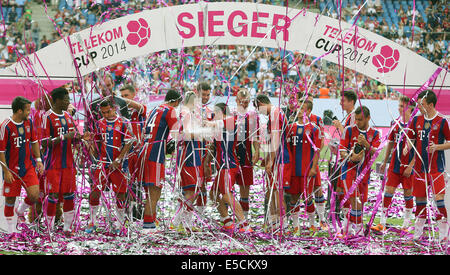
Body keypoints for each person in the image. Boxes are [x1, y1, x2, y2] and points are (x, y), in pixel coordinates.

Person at [41, 87, 90, 235]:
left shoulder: (68, 117)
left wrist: (81, 138)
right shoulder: (47, 117)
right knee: (53, 195)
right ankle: (49, 228)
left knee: (69, 195)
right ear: (57, 100)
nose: (69, 102)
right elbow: (44, 143)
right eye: (66, 99)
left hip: (68, 163)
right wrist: (64, 137)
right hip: (52, 163)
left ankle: (68, 228)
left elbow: (72, 138)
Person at [85, 100, 133, 234]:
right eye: (103, 112)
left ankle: (119, 223)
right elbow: (95, 147)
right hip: (103, 164)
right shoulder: (99, 123)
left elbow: (129, 143)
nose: (105, 115)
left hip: (118, 165)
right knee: (95, 192)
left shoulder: (124, 123)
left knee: (120, 194)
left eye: (108, 111)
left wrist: (119, 159)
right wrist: (89, 143)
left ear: (114, 109)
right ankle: (92, 222)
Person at [203, 103, 252, 232]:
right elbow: (213, 147)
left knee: (225, 194)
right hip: (222, 166)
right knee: (213, 194)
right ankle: (227, 221)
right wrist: (206, 163)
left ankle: (244, 224)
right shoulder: (220, 126)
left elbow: (213, 124)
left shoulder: (231, 121)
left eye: (215, 113)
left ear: (220, 112)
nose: (213, 116)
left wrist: (201, 122)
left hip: (228, 165)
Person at [410, 90, 450, 243]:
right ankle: (417, 235)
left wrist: (437, 147)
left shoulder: (442, 121)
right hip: (420, 169)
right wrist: (408, 145)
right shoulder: (416, 120)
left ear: (431, 105)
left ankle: (444, 235)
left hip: (436, 169)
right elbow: (411, 138)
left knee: (439, 200)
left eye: (422, 104)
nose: (419, 106)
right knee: (420, 202)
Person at [0, 96, 44, 234]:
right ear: (19, 111)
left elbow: (34, 141)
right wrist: (6, 171)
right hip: (11, 170)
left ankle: (19, 212)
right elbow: (1, 151)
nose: (29, 113)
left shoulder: (29, 122)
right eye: (27, 110)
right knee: (10, 199)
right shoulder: (5, 126)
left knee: (34, 195)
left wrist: (38, 160)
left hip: (28, 167)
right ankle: (12, 231)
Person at [139, 89, 181, 234]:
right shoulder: (170, 110)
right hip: (155, 153)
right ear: (176, 101)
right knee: (154, 189)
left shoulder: (154, 108)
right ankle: (148, 224)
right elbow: (178, 133)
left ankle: (151, 220)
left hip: (144, 150)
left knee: (150, 189)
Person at [371, 96, 415, 233]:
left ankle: (406, 224)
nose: (399, 108)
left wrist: (411, 165)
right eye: (399, 106)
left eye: (402, 106)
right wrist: (385, 161)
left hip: (408, 167)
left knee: (408, 194)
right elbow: (390, 143)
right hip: (395, 166)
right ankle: (382, 223)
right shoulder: (395, 123)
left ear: (410, 109)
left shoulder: (415, 125)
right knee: (388, 193)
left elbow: (419, 148)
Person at [338, 106, 381, 236]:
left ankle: (347, 226)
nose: (357, 122)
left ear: (368, 118)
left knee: (360, 203)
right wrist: (350, 157)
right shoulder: (349, 130)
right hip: (349, 171)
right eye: (355, 119)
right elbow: (342, 151)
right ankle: (358, 230)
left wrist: (367, 145)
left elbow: (377, 153)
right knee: (355, 200)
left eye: (360, 120)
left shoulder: (375, 133)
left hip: (364, 173)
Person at [254, 94, 292, 233]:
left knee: (277, 192)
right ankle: (275, 224)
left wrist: (270, 160)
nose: (259, 112)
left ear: (262, 103)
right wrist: (268, 158)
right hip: (277, 157)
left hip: (281, 159)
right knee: (272, 191)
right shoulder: (275, 113)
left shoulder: (275, 113)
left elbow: (276, 141)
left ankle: (283, 225)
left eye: (259, 108)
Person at [286, 100, 321, 234]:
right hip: (294, 170)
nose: (300, 111)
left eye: (303, 109)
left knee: (308, 198)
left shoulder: (314, 129)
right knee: (294, 198)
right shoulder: (290, 128)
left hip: (307, 169)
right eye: (299, 108)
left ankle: (312, 224)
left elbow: (317, 150)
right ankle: (296, 226)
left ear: (309, 111)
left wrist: (313, 168)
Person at [171, 91, 204, 231]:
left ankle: (181, 222)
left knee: (189, 189)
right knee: (191, 189)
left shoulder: (182, 113)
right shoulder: (187, 113)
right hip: (189, 154)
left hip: (187, 153)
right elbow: (187, 135)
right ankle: (181, 222)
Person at [234, 89, 260, 221]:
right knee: (227, 188)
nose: (244, 104)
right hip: (231, 155)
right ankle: (229, 217)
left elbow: (256, 136)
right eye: (241, 102)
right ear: (236, 100)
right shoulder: (230, 114)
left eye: (246, 102)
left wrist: (257, 152)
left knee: (245, 187)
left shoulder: (253, 116)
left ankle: (244, 218)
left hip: (247, 155)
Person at [195, 82, 214, 214]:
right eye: (203, 94)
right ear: (197, 93)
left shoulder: (210, 112)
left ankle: (200, 215)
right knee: (190, 185)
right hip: (190, 153)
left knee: (202, 185)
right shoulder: (188, 109)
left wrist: (208, 159)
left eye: (208, 95)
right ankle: (185, 216)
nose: (206, 97)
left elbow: (212, 136)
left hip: (204, 154)